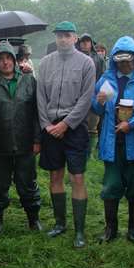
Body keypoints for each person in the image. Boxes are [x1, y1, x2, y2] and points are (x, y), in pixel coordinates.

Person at [37, 21, 95, 248]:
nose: (63, 39)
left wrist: (67, 124)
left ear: (75, 38)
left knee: (77, 177)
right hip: (50, 126)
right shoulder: (45, 63)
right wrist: (46, 125)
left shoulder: (86, 63)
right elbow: (40, 96)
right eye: (59, 35)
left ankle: (80, 230)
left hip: (75, 128)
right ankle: (60, 223)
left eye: (67, 35)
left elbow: (86, 98)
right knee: (55, 177)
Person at [92, 36, 134, 244]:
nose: (125, 65)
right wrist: (98, 102)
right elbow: (96, 109)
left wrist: (131, 123)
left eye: (128, 61)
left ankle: (133, 228)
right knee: (111, 185)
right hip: (111, 141)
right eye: (120, 61)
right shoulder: (106, 79)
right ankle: (110, 228)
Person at [0, 41, 42, 235]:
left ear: (14, 60)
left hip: (25, 143)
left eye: (8, 58)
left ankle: (33, 218)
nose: (5, 62)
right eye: (1, 59)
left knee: (27, 183)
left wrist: (37, 140)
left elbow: (36, 113)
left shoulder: (28, 80)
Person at [77, 33, 106, 156]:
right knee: (78, 124)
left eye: (87, 41)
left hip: (93, 95)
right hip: (77, 96)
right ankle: (79, 150)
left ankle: (89, 153)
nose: (85, 43)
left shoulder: (99, 59)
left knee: (92, 126)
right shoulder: (75, 56)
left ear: (91, 43)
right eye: (83, 41)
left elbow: (104, 76)